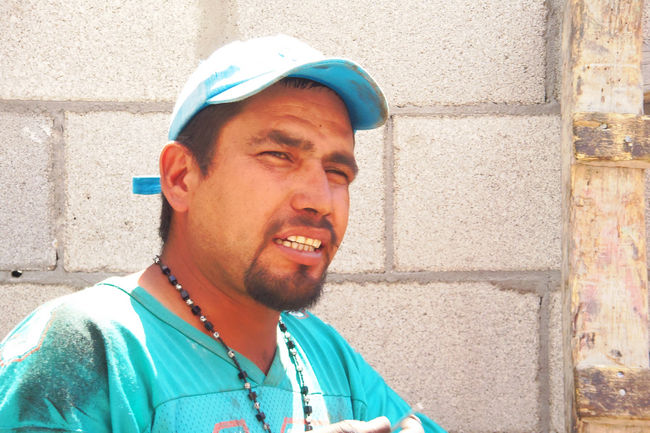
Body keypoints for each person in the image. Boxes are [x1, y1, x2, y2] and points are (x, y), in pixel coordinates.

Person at [0, 35, 446, 433]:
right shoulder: (90, 348)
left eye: (337, 171)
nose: (320, 199)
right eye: (278, 155)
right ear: (181, 177)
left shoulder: (325, 355)